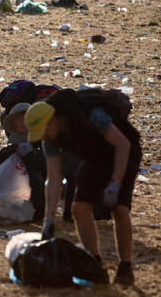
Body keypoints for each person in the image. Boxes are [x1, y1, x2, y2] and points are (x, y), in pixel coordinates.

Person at [25, 89, 142, 286]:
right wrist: (49, 219)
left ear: (53, 120)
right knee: (80, 209)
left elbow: (123, 145)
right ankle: (94, 264)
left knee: (119, 209)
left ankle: (125, 267)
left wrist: (116, 182)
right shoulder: (51, 140)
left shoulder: (90, 115)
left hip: (124, 155)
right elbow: (54, 177)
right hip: (94, 159)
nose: (43, 137)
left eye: (44, 130)